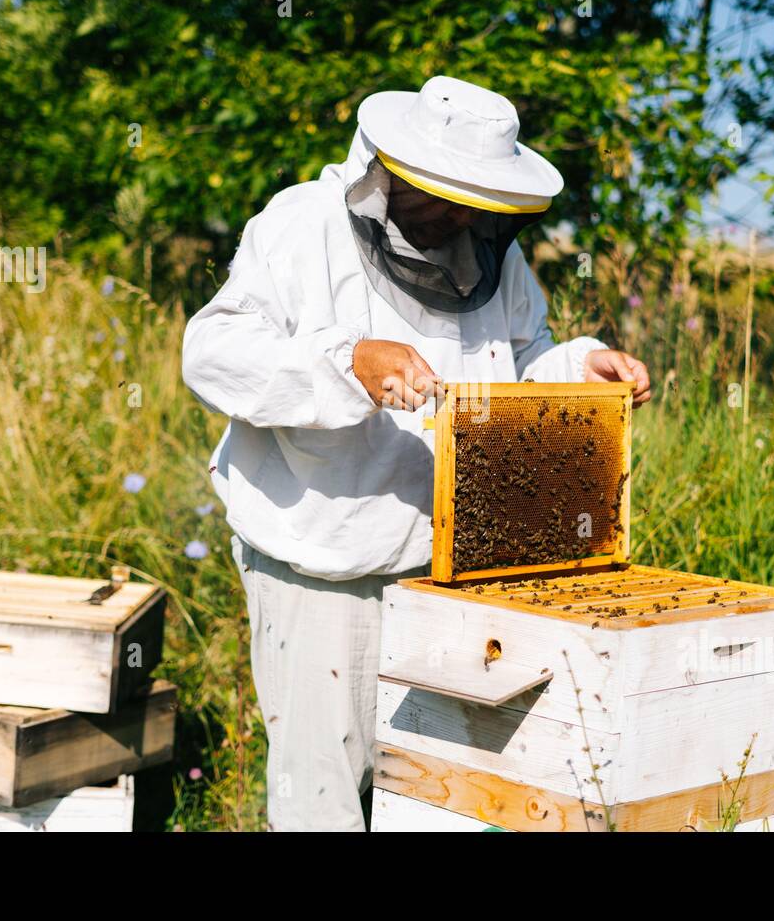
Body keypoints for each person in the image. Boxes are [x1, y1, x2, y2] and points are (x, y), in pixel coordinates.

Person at [181, 75, 651, 831]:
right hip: (323, 568)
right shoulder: (303, 224)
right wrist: (347, 363)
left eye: (476, 203)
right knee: (324, 800)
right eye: (445, 197)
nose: (458, 218)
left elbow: (516, 365)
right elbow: (212, 352)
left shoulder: (489, 256)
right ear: (389, 173)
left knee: (430, 794)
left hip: (448, 571)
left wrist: (579, 368)